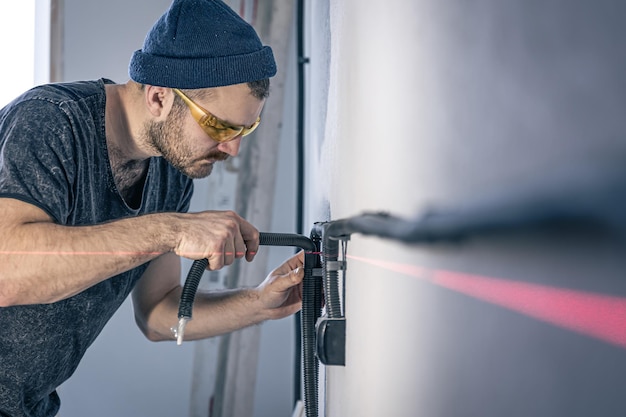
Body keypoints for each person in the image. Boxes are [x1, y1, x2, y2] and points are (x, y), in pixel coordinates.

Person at [0, 0, 305, 416]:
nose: (232, 149)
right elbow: (7, 270)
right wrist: (171, 230)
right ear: (159, 97)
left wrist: (258, 302)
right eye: (219, 126)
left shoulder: (172, 170)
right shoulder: (50, 122)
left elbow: (159, 312)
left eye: (244, 129)